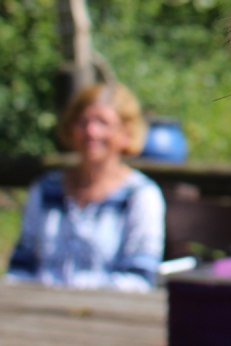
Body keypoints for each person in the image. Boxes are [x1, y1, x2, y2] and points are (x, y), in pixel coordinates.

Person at [7, 82, 166, 291]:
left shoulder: (140, 195)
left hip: (109, 315)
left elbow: (139, 279)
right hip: (37, 313)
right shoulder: (45, 189)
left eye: (102, 123)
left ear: (126, 133)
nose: (91, 131)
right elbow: (21, 266)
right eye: (83, 122)